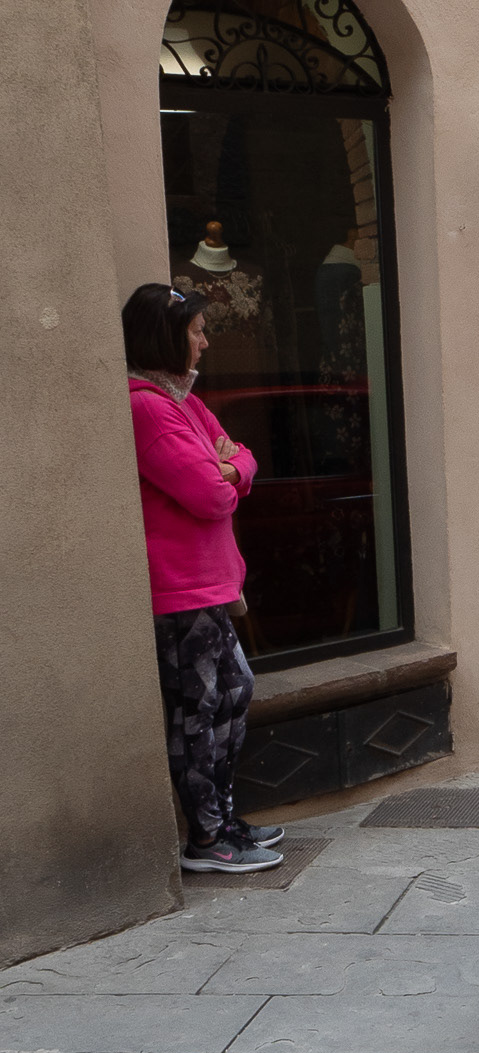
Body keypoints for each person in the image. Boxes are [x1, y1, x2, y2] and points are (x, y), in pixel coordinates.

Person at [122, 283, 284, 873]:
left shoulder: (183, 400)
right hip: (179, 590)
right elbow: (209, 495)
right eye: (197, 332)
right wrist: (228, 471)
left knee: (233, 696)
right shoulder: (148, 407)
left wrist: (231, 465)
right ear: (167, 338)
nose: (205, 343)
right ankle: (207, 839)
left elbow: (242, 456)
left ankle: (224, 819)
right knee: (198, 713)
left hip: (209, 585)